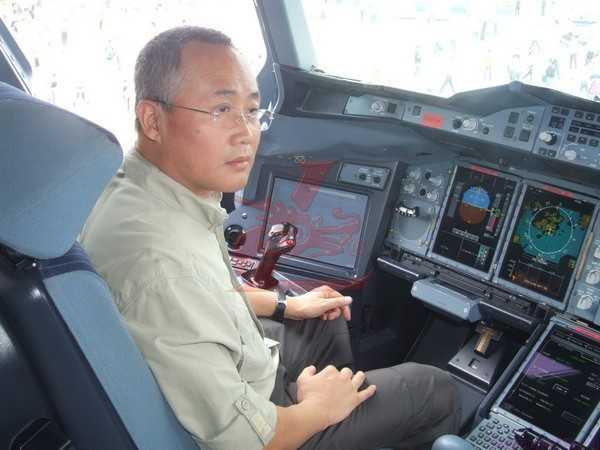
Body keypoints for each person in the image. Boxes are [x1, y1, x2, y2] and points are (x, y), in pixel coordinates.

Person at [80, 26, 460, 450]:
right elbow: (245, 441)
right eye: (221, 108)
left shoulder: (137, 191)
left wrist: (287, 304)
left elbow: (209, 293)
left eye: (250, 110)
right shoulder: (161, 264)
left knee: (323, 320)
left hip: (236, 379)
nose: (246, 132)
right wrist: (317, 409)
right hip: (256, 436)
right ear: (153, 119)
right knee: (434, 390)